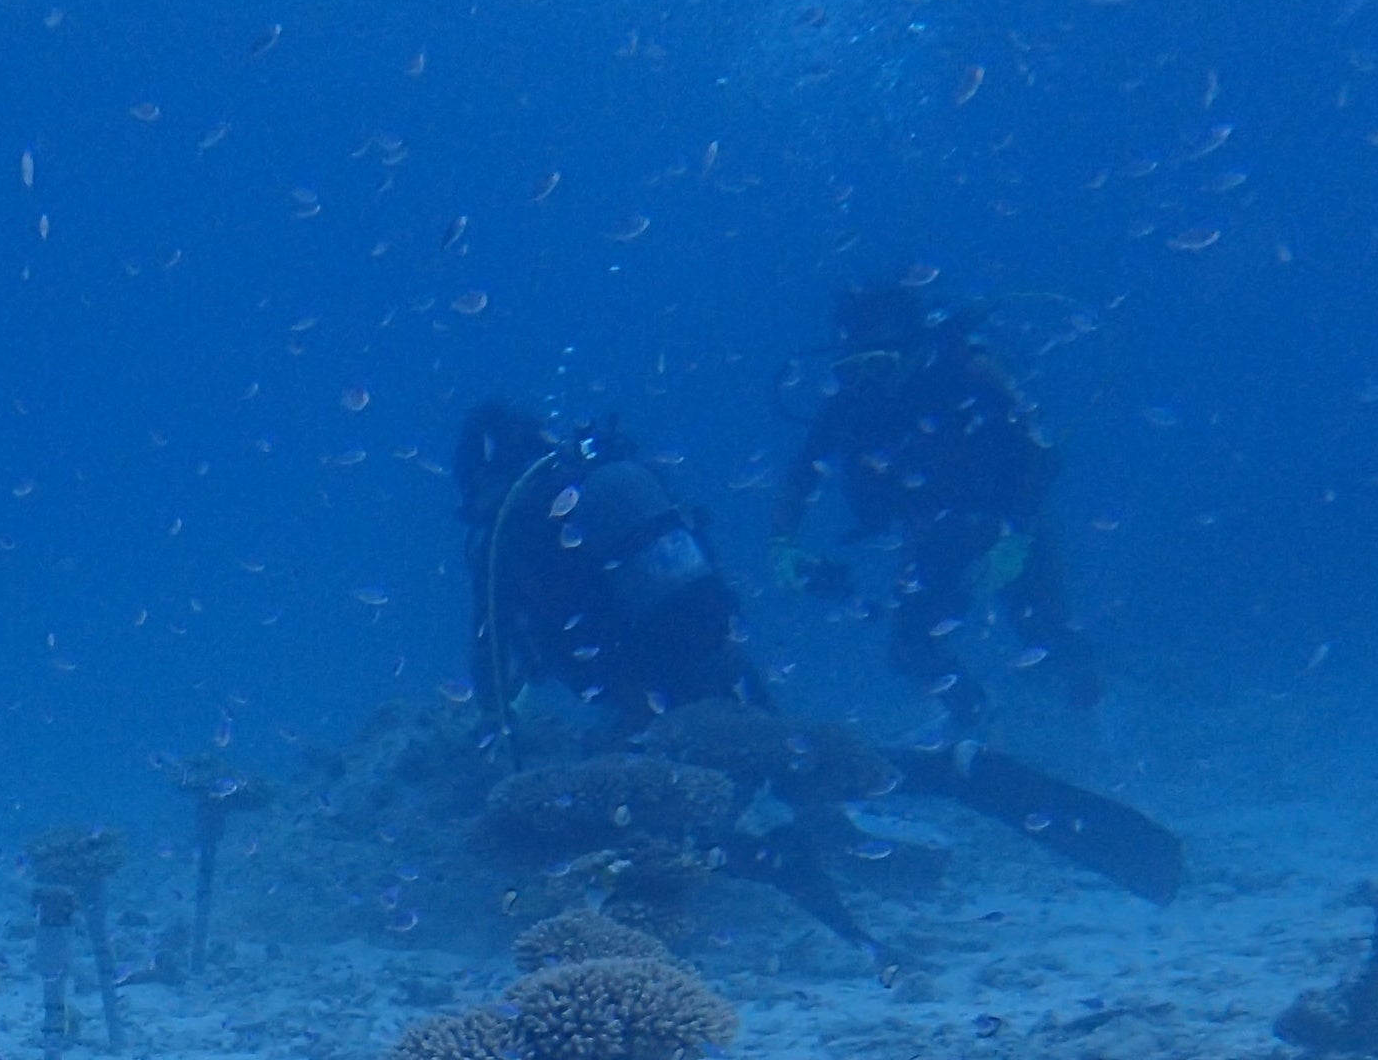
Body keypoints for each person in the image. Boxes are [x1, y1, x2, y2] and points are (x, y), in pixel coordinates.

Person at [772, 282, 1101, 726]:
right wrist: (783, 541)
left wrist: (1017, 536)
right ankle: (974, 730)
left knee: (1046, 629)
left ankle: (1095, 714)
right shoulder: (854, 397)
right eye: (857, 367)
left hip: (1005, 517)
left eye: (882, 363)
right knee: (911, 647)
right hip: (929, 532)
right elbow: (804, 470)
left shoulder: (971, 371)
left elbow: (1042, 455)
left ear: (913, 349)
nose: (871, 379)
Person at [456, 400, 768, 736]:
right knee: (780, 758)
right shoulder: (600, 478)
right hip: (726, 657)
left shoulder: (511, 531)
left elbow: (491, 662)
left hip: (642, 692)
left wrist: (495, 713)